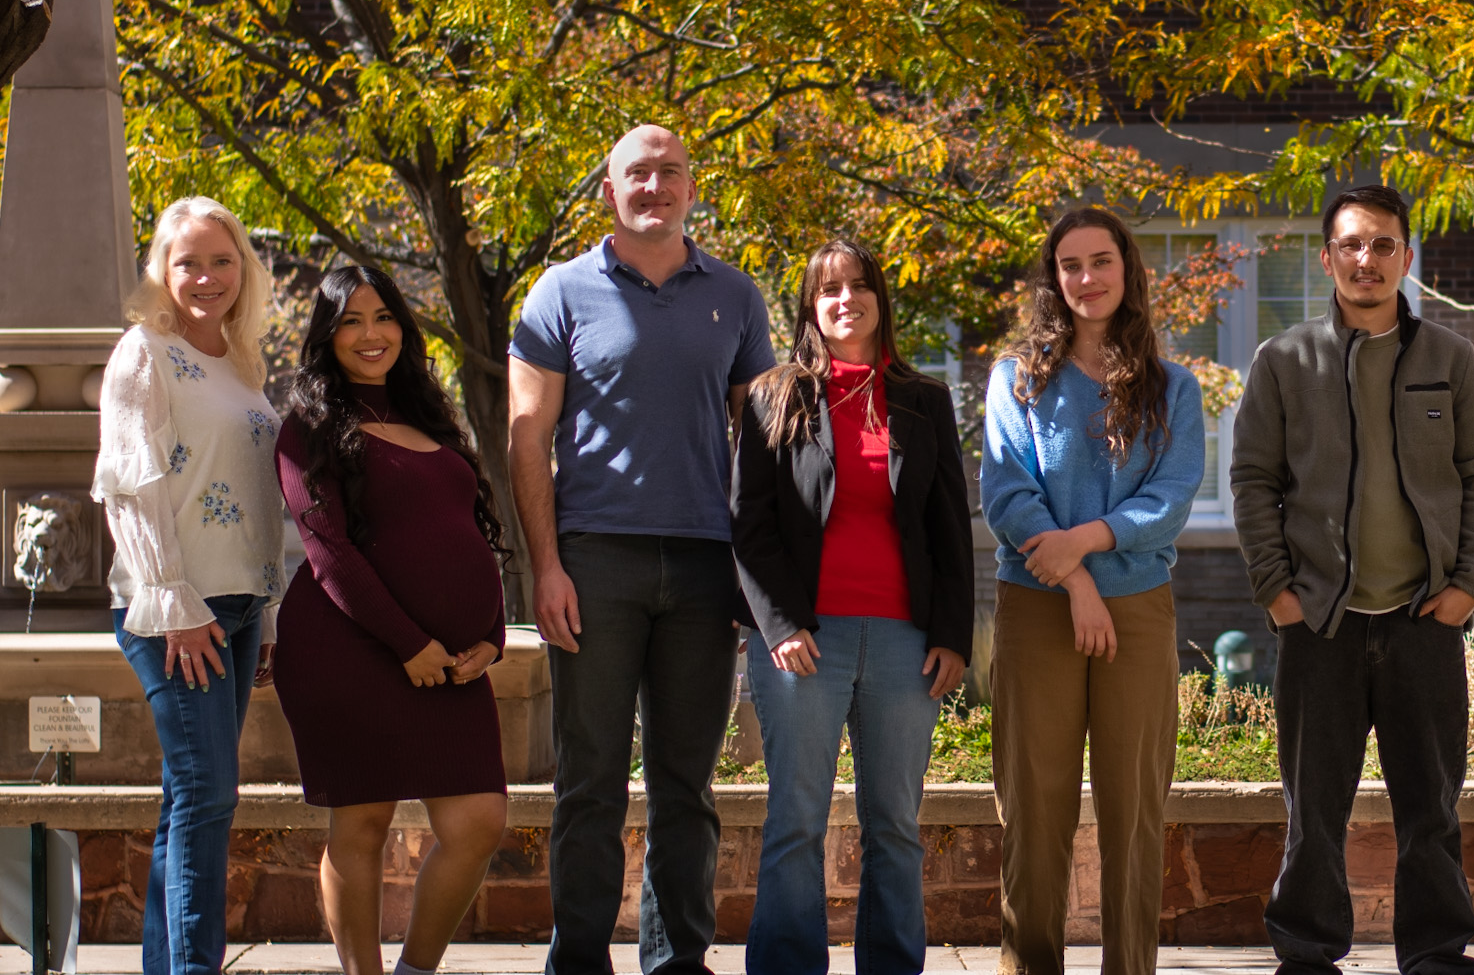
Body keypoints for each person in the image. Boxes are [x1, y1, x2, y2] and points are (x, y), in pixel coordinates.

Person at [509, 124, 776, 975]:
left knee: (687, 785)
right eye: (638, 173)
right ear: (609, 190)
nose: (654, 185)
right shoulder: (560, 292)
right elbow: (527, 438)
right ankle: (579, 959)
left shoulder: (736, 296)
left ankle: (677, 962)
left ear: (691, 186)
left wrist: (758, 578)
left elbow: (763, 439)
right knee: (588, 782)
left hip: (704, 565)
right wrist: (545, 566)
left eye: (670, 171)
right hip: (595, 563)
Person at [1232, 182, 1474, 975]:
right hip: (1319, 619)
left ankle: (1434, 950)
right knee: (1313, 808)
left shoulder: (1447, 358)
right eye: (1351, 244)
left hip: (1425, 615)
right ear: (1327, 258)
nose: (1367, 259)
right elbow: (1252, 479)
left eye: (1384, 244)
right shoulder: (1284, 360)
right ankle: (1308, 950)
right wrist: (1275, 590)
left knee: (1432, 804)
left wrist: (1469, 584)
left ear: (1406, 258)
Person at [730, 237, 975, 975]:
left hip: (904, 641)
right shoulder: (775, 395)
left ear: (878, 298)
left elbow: (949, 529)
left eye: (859, 286)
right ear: (811, 304)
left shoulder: (924, 398)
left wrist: (953, 636)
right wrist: (778, 623)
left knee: (895, 823)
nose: (845, 300)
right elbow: (750, 524)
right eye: (829, 289)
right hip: (804, 639)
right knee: (797, 820)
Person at [979, 207, 1205, 975]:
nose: (1086, 278)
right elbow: (1007, 494)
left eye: (1100, 261)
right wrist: (1074, 577)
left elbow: (1170, 498)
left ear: (1127, 269)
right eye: (1070, 264)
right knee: (1034, 809)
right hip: (1037, 603)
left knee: (1134, 811)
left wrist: (1088, 542)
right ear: (1054, 278)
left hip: (1138, 611)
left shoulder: (1175, 388)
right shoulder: (1016, 381)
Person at [272, 266, 510, 975]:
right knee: (363, 820)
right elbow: (327, 550)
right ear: (326, 333)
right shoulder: (308, 424)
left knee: (476, 824)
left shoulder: (430, 415)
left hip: (452, 661)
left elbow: (469, 529)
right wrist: (409, 643)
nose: (371, 334)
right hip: (348, 651)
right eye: (350, 320)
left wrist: (492, 637)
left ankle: (415, 970)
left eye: (384, 317)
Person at [93, 196, 287, 975]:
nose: (206, 276)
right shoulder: (143, 352)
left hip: (238, 608)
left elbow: (259, 494)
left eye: (221, 259)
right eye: (188, 262)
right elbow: (130, 487)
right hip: (175, 608)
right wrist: (173, 600)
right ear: (160, 272)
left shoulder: (243, 364)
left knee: (188, 802)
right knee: (210, 797)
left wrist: (266, 615)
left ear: (243, 268)